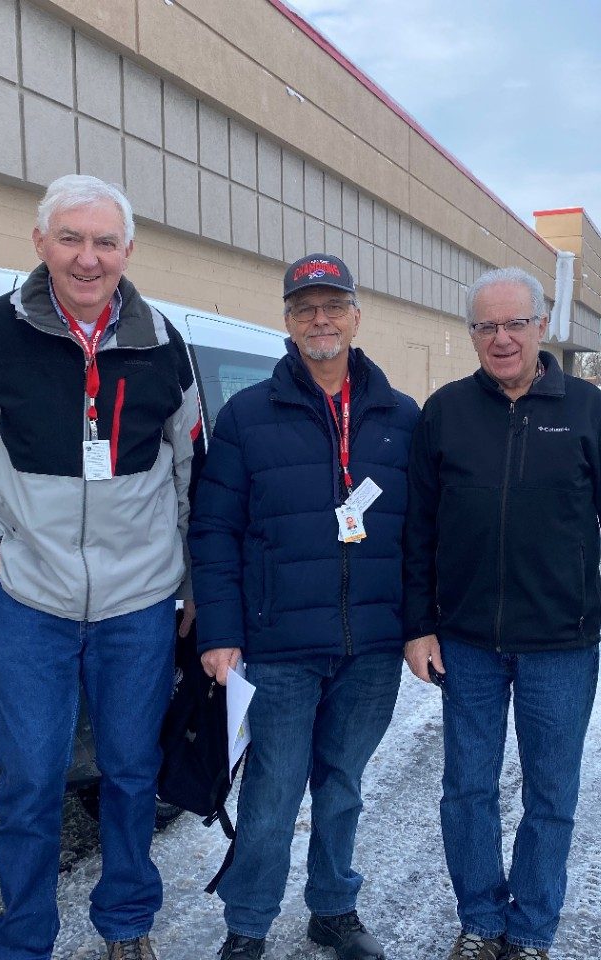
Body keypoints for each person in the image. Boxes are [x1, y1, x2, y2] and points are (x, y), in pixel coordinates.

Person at [0, 174, 200, 960]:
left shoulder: (162, 343)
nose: (88, 258)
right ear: (40, 242)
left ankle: (126, 925)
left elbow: (195, 472)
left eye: (104, 241)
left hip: (138, 605)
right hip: (29, 603)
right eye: (71, 239)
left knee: (128, 773)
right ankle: (21, 940)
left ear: (128, 251)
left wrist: (188, 583)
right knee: (30, 783)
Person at [402, 267, 601, 960]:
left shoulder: (585, 410)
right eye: (486, 326)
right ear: (472, 334)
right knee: (466, 790)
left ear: (540, 327)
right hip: (465, 643)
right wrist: (417, 623)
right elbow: (416, 530)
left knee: (550, 795)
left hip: (560, 644)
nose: (501, 338)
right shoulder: (446, 412)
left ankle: (530, 932)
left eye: (514, 322)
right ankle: (482, 920)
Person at [189, 254, 419, 960]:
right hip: (280, 645)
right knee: (274, 790)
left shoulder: (401, 417)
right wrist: (221, 632)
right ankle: (248, 924)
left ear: (356, 314)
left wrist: (421, 626)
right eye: (303, 308)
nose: (319, 319)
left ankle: (333, 908)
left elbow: (423, 533)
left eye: (331, 305)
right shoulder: (248, 416)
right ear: (287, 322)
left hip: (373, 645)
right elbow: (214, 530)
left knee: (342, 786)